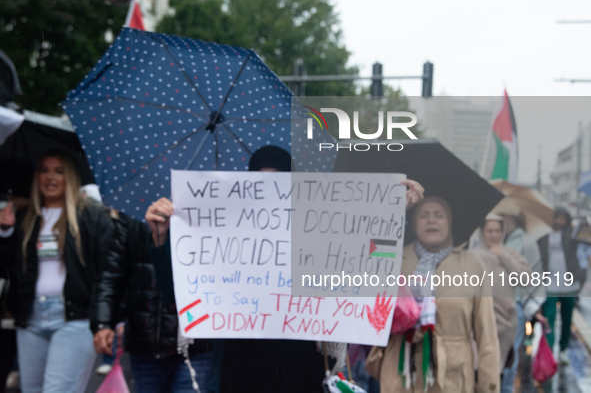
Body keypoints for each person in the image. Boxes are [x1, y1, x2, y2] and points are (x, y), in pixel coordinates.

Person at [145, 146, 425, 392]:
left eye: (278, 179)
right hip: (237, 374)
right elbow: (175, 294)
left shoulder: (320, 230)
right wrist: (160, 237)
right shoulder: (221, 233)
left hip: (302, 373)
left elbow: (363, 264)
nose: (268, 187)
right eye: (259, 179)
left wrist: (392, 211)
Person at [0, 149, 115, 393]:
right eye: (44, 170)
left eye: (58, 171)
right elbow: (6, 267)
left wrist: (109, 318)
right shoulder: (24, 218)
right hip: (30, 317)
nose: (50, 177)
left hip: (74, 319)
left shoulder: (92, 216)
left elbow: (109, 270)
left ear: (70, 177)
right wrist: (6, 232)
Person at [376, 196, 500, 393]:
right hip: (402, 375)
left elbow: (487, 334)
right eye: (423, 215)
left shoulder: (472, 264)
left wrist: (489, 386)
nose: (431, 220)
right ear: (414, 224)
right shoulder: (393, 260)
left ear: (449, 223)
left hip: (452, 376)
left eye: (439, 215)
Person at [91, 210, 215, 393]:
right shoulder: (134, 214)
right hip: (145, 341)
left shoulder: (208, 212)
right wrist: (103, 322)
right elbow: (111, 272)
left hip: (196, 343)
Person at [471, 214, 532, 378]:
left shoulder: (510, 253)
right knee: (479, 371)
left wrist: (503, 256)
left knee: (500, 371)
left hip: (505, 323)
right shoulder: (473, 256)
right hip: (478, 324)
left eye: (498, 231)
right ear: (482, 232)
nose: (494, 235)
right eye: (489, 231)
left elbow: (526, 279)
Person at [495, 201, 545, 393]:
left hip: (514, 305)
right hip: (509, 304)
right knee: (506, 355)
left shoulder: (519, 241)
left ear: (510, 219)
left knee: (508, 357)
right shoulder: (512, 239)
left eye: (502, 219)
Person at [538, 207, 583, 364]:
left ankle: (563, 348)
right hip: (549, 284)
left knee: (566, 318)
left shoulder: (571, 234)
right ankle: (549, 351)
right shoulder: (543, 235)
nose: (560, 222)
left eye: (563, 218)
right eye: (557, 218)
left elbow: (585, 240)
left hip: (569, 284)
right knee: (549, 318)